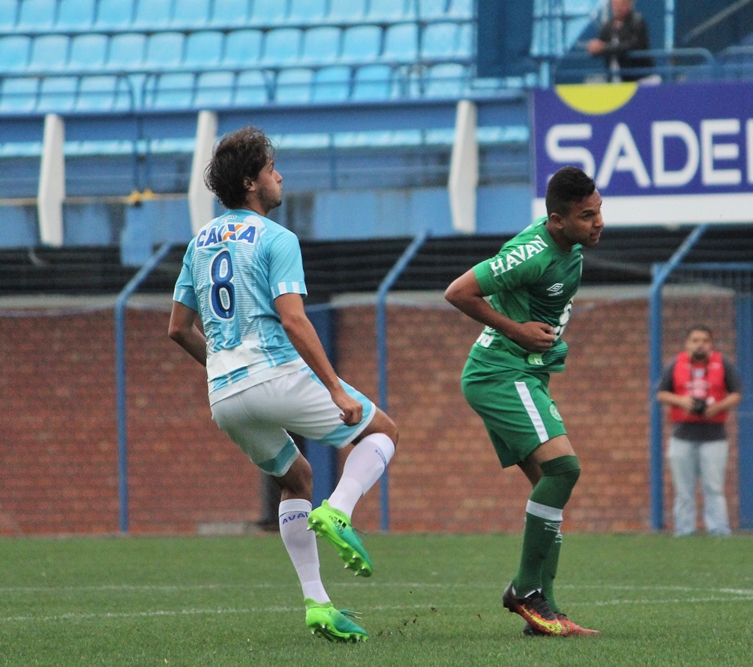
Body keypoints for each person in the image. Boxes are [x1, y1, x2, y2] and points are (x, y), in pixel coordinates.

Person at [167, 126, 398, 644]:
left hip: (224, 395)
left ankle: (318, 605)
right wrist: (336, 388)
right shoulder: (277, 238)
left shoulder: (198, 244)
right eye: (272, 169)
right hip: (274, 373)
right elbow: (293, 319)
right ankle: (339, 512)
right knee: (382, 431)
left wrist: (220, 368)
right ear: (252, 183)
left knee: (295, 479)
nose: (280, 176)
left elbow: (177, 329)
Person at [444, 166, 603, 637]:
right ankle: (525, 592)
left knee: (550, 492)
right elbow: (458, 292)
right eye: (586, 215)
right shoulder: (531, 253)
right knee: (564, 469)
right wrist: (517, 331)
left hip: (525, 373)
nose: (598, 222)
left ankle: (545, 611)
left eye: (599, 211)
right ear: (557, 220)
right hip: (500, 372)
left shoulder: (569, 244)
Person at [656, 326, 742, 537]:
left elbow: (737, 393)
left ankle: (719, 530)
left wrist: (718, 407)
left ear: (711, 344)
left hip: (714, 435)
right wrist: (682, 402)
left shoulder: (723, 364)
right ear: (687, 344)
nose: (700, 345)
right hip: (682, 435)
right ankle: (684, 530)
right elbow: (661, 393)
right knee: (683, 488)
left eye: (704, 340)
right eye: (695, 340)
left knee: (714, 487)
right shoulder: (675, 364)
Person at [586, 0, 653, 82]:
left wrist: (605, 48)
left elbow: (631, 45)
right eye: (615, 4)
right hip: (616, 79)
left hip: (640, 77)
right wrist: (594, 47)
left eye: (622, 4)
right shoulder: (609, 25)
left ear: (630, 4)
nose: (618, 8)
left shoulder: (637, 22)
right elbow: (600, 43)